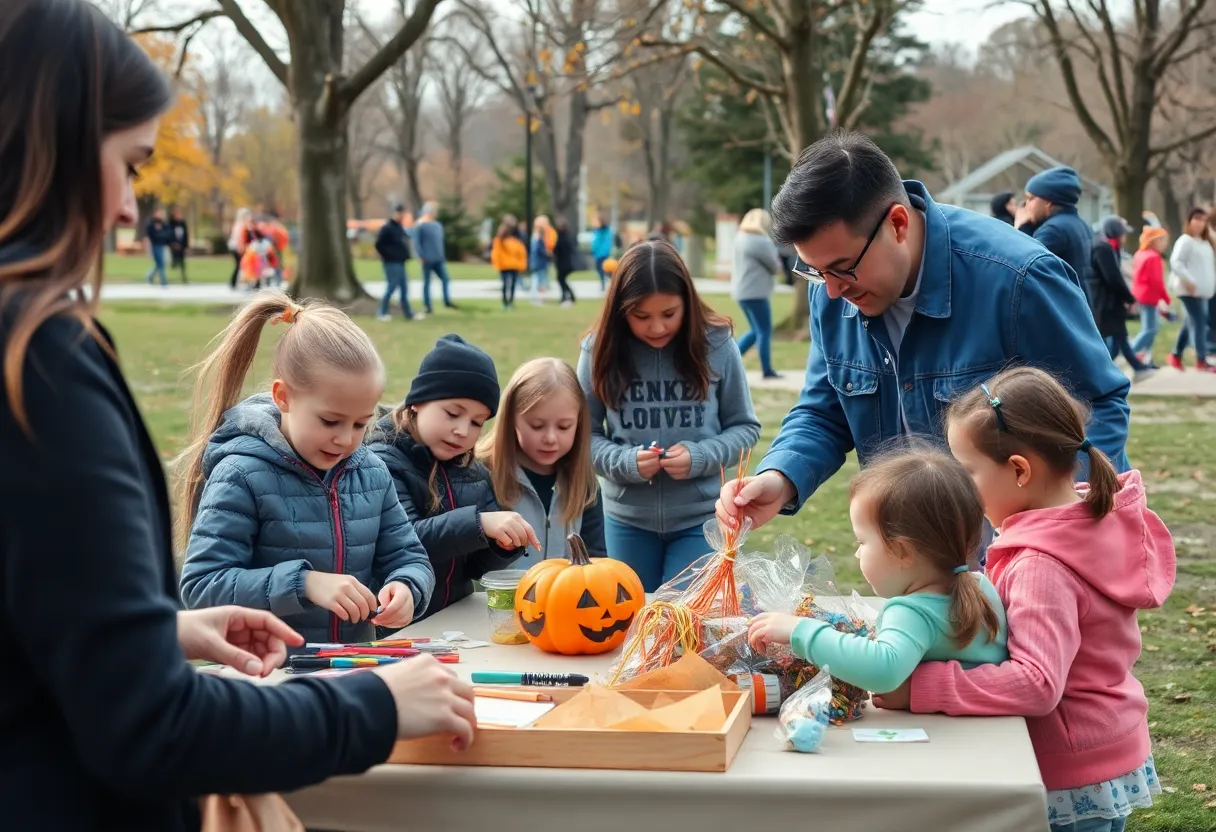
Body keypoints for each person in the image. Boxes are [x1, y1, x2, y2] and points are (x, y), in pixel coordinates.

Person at [0, 2, 474, 828]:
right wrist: (378, 707)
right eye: (132, 165)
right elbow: (148, 727)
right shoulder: (37, 362)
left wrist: (161, 629)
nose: (126, 212)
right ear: (59, 147)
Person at [715, 132, 1131, 566]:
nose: (833, 291)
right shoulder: (831, 293)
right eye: (816, 273)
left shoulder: (1018, 278)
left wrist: (1057, 543)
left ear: (897, 223)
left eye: (843, 269)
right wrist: (779, 477)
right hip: (916, 570)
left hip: (1025, 565)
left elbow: (1095, 408)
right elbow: (824, 409)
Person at [877, 366, 1175, 832]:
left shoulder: (1042, 565)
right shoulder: (1081, 522)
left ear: (1018, 470)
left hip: (1068, 767)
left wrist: (918, 688)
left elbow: (1036, 683)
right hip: (1101, 745)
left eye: (968, 471)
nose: (961, 488)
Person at [178, 293, 435, 644]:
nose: (345, 440)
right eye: (330, 421)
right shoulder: (241, 475)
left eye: (361, 424)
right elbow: (202, 587)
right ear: (283, 397)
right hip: (267, 677)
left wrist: (408, 587)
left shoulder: (372, 474)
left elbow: (409, 557)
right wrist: (304, 583)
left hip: (351, 669)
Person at [748, 443, 1007, 695]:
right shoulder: (979, 585)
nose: (857, 552)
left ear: (902, 551)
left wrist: (799, 631)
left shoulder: (912, 612)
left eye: (863, 542)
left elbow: (882, 670)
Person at [577, 240, 761, 590]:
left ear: (687, 304)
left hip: (702, 520)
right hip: (624, 520)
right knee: (629, 625)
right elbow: (582, 436)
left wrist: (700, 455)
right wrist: (625, 461)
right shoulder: (598, 348)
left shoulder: (717, 344)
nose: (657, 328)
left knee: (683, 624)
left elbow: (745, 428)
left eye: (669, 314)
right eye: (641, 316)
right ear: (620, 310)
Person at [368, 335, 538, 619]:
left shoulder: (473, 472)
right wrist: (479, 524)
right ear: (417, 402)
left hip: (453, 620)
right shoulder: (383, 461)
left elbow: (473, 568)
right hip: (397, 624)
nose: (463, 430)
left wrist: (500, 545)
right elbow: (406, 538)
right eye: (452, 413)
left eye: (476, 422)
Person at [479, 358, 606, 567]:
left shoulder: (585, 485)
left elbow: (597, 561)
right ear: (511, 420)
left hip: (562, 598)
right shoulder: (482, 475)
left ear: (579, 423)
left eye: (564, 427)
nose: (550, 438)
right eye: (537, 426)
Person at [1015, 166, 1094, 302]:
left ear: (1047, 201)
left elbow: (1021, 266)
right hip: (1078, 306)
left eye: (1031, 198)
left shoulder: (1053, 230)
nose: (1026, 205)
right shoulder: (1080, 224)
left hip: (1061, 308)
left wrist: (1021, 228)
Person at [1091, 216, 1153, 382]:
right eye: (1122, 234)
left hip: (1111, 302)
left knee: (1116, 340)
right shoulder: (1102, 248)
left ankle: (1103, 371)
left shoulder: (1109, 248)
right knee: (1118, 337)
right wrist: (1129, 297)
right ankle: (1136, 368)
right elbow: (1113, 278)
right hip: (1106, 303)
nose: (1125, 237)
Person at [731, 208, 783, 379]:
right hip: (756, 292)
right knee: (764, 330)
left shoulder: (740, 238)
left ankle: (731, 360)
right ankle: (767, 369)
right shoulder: (761, 241)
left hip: (741, 292)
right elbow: (776, 267)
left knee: (755, 329)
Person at [1167, 207, 1216, 372]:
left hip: (1203, 292)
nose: (1200, 223)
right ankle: (1201, 360)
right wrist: (1189, 280)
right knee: (1200, 322)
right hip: (1188, 291)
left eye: (1203, 220)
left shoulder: (1205, 242)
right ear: (1189, 221)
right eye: (1196, 219)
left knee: (1190, 323)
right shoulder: (1185, 240)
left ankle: (1176, 354)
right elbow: (1176, 262)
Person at [1130, 226, 1172, 366]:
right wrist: (1166, 298)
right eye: (1161, 240)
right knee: (1150, 329)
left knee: (1150, 328)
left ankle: (1148, 359)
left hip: (1140, 294)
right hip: (1149, 296)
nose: (1164, 244)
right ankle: (1130, 353)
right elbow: (1157, 282)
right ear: (1153, 241)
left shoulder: (1140, 254)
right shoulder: (1154, 257)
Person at [376, 203, 420, 322]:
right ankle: (382, 312)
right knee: (391, 287)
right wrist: (388, 255)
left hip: (401, 262)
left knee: (404, 288)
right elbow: (379, 244)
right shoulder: (387, 228)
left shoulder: (399, 228)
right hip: (391, 262)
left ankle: (408, 314)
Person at [414, 201, 456, 314]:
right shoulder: (420, 225)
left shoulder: (437, 226)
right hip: (427, 259)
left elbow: (439, 242)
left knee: (445, 279)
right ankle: (427, 305)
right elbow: (417, 243)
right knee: (427, 282)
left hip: (438, 259)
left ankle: (447, 301)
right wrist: (420, 256)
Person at [491, 216, 527, 310]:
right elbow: (497, 251)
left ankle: (508, 302)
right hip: (506, 264)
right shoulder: (502, 237)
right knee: (507, 284)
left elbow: (521, 252)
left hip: (512, 264)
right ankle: (507, 302)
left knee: (510, 284)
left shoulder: (515, 237)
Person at [144, 206, 172, 286]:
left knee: (160, 263)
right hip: (155, 244)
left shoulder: (164, 224)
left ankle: (150, 276)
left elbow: (167, 233)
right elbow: (150, 233)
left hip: (162, 244)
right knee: (160, 263)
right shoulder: (151, 223)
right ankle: (163, 281)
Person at [554, 216, 577, 307]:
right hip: (564, 263)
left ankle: (566, 296)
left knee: (561, 280)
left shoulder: (562, 238)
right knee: (561, 280)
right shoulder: (566, 236)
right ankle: (569, 295)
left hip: (563, 263)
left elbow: (558, 250)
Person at [228, 207, 253, 289]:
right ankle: (234, 282)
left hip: (236, 247)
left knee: (240, 265)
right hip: (237, 248)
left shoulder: (239, 224)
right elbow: (239, 238)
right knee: (241, 265)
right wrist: (241, 248)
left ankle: (234, 282)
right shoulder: (241, 225)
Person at [530, 215, 553, 303]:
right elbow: (539, 250)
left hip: (538, 262)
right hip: (539, 263)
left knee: (539, 280)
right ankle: (537, 298)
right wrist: (546, 253)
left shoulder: (537, 236)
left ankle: (538, 298)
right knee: (539, 280)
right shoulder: (538, 237)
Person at [592, 215, 614, 291]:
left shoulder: (606, 231)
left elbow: (607, 242)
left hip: (603, 253)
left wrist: (605, 251)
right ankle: (603, 284)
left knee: (605, 269)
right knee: (599, 269)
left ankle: (608, 284)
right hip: (597, 254)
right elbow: (595, 242)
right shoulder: (597, 231)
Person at [168, 205, 188, 283]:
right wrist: (173, 244)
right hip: (174, 246)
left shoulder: (183, 224)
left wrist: (186, 246)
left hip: (182, 246)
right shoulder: (171, 224)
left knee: (182, 262)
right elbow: (170, 235)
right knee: (174, 263)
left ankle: (183, 277)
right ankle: (170, 276)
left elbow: (186, 235)